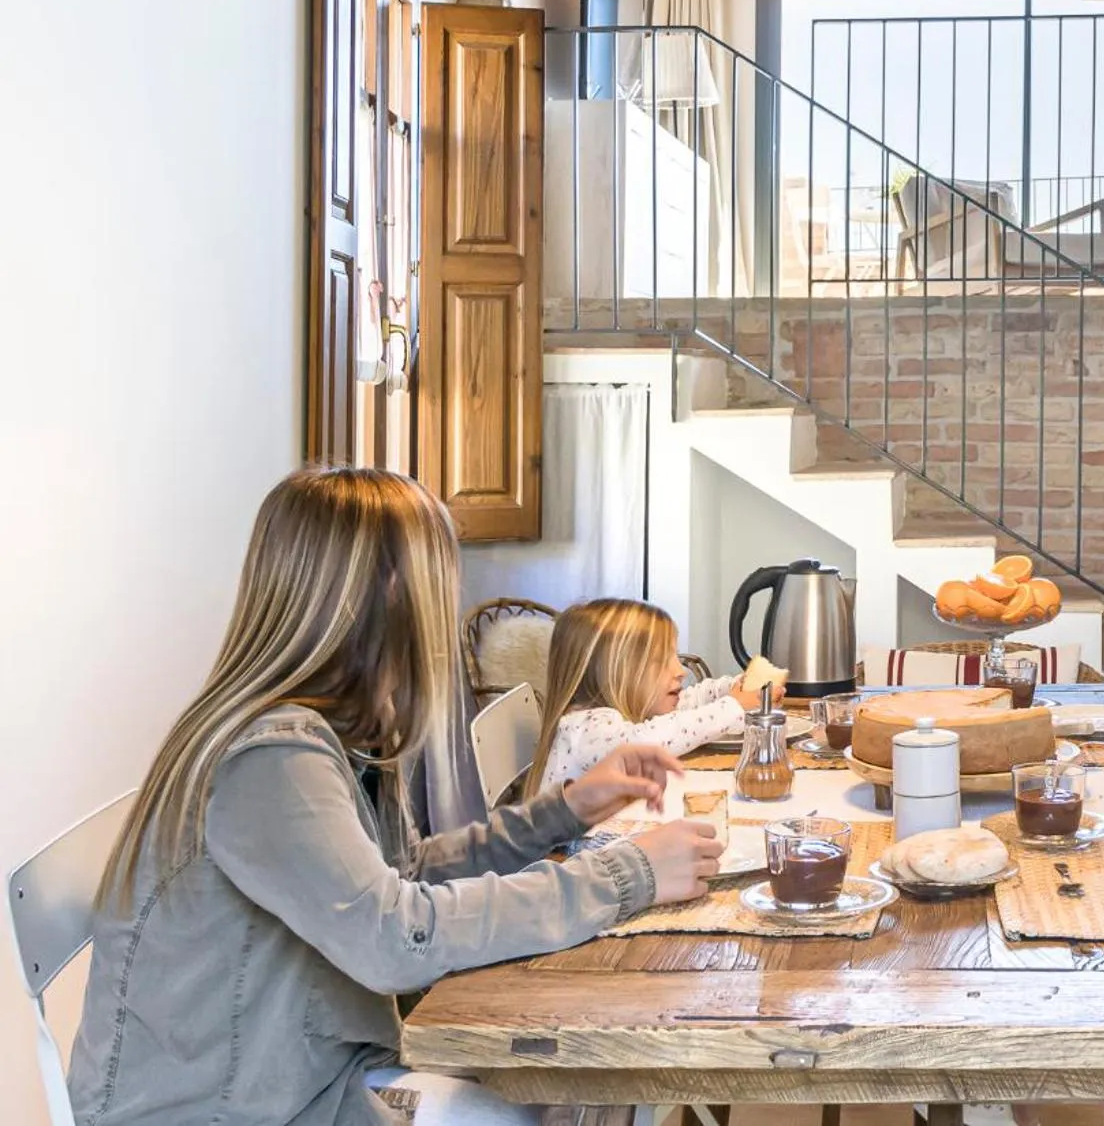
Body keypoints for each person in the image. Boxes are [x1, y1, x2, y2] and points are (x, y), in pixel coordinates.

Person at [68, 468, 723, 1126]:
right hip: (238, 1108)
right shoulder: (270, 755)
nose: (445, 599)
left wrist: (569, 807)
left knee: (581, 1085)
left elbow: (405, 873)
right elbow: (396, 937)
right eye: (437, 576)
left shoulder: (325, 731)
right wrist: (626, 873)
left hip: (306, 1077)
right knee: (575, 1090)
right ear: (388, 592)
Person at [526, 596, 778, 824]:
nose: (680, 671)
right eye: (660, 661)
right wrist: (732, 707)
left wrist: (730, 690)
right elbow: (646, 742)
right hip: (569, 864)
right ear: (617, 674)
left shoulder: (623, 713)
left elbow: (683, 706)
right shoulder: (587, 727)